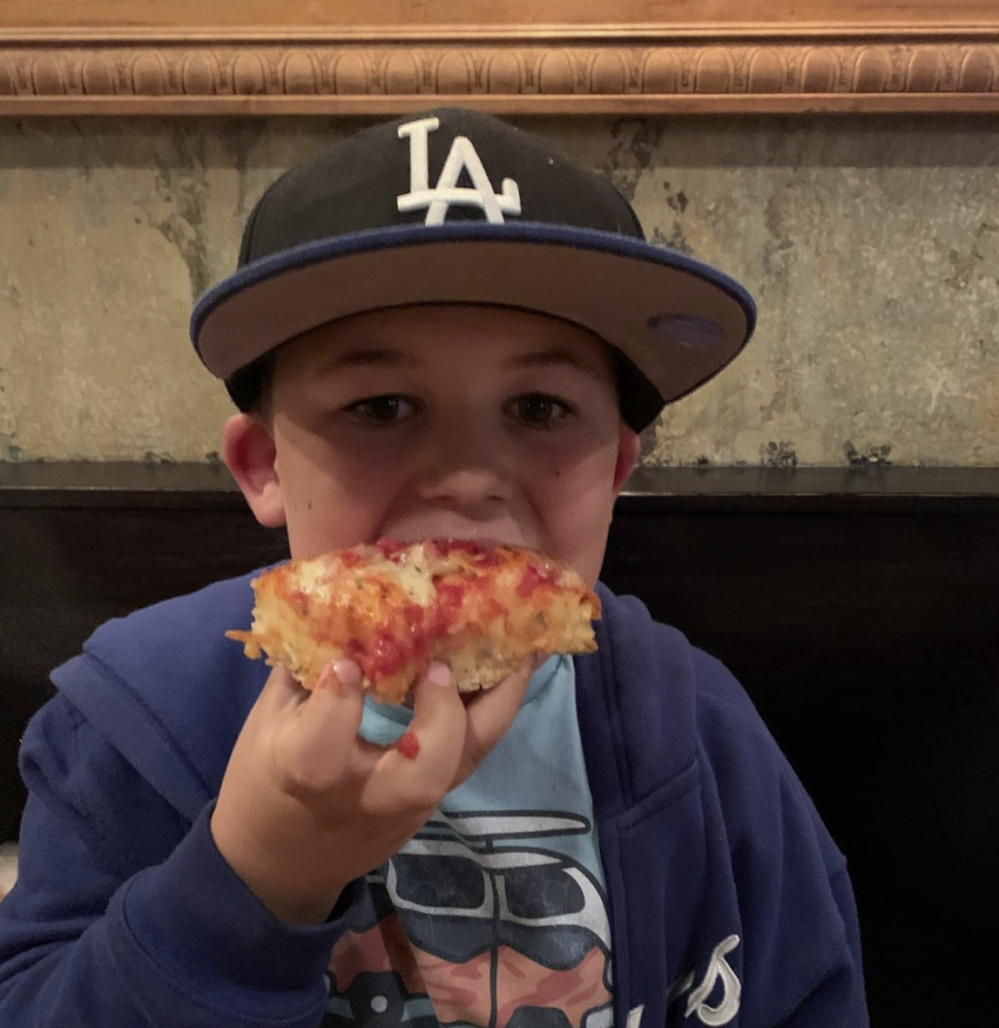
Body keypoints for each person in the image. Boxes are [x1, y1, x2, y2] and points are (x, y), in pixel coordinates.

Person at [0, 107, 868, 1027]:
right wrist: (257, 876)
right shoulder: (128, 722)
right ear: (264, 469)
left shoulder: (703, 737)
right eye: (380, 406)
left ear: (616, 471)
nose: (465, 479)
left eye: (538, 408)